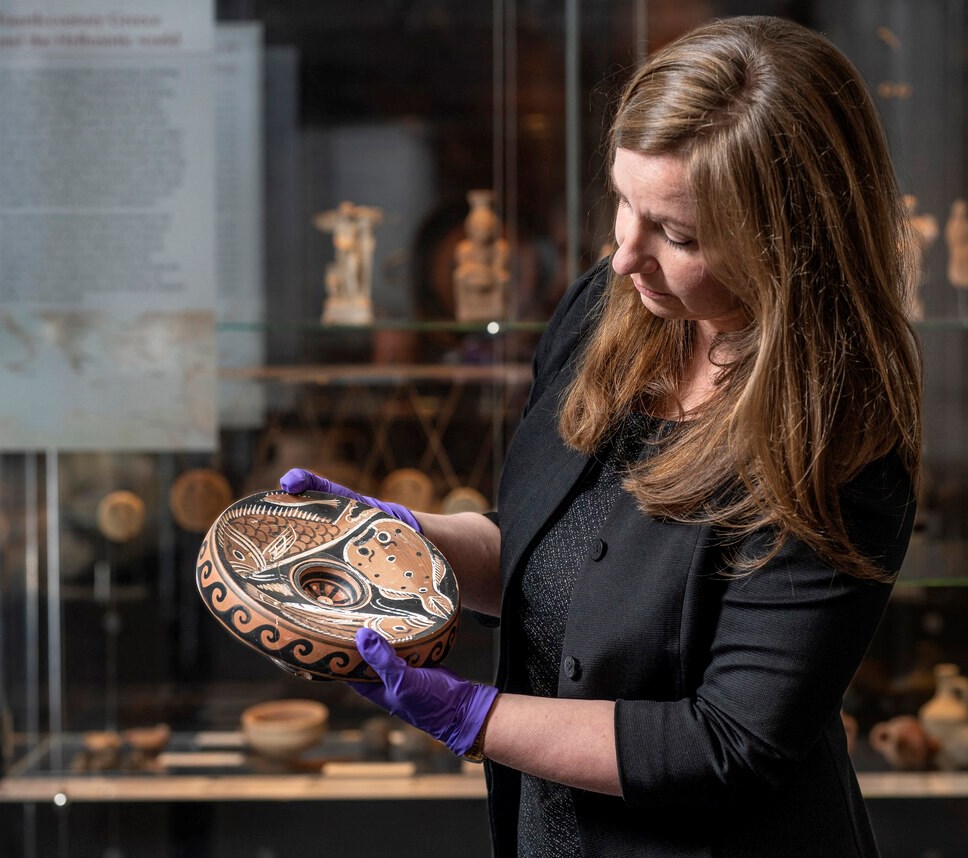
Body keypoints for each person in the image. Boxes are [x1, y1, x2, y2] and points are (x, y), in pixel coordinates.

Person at [283, 15, 921, 857]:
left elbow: (728, 743)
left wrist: (476, 717)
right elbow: (547, 554)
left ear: (788, 242)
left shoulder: (839, 434)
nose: (626, 253)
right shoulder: (608, 310)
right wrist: (403, 539)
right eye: (625, 200)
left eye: (678, 233)